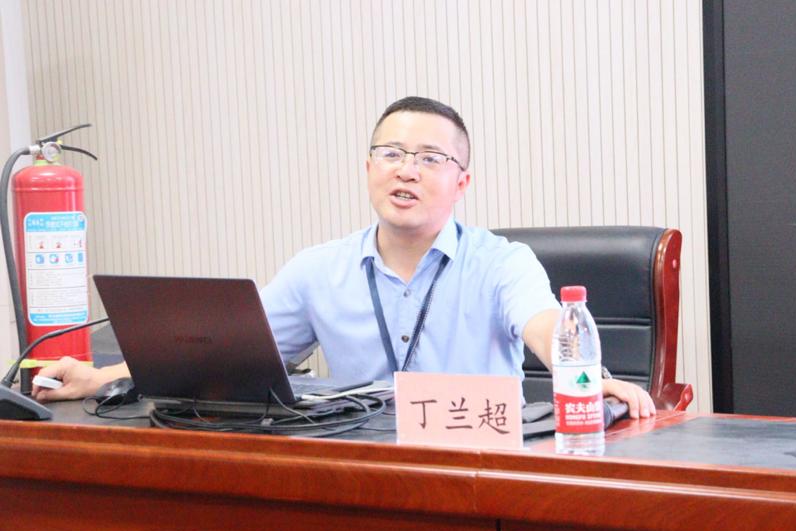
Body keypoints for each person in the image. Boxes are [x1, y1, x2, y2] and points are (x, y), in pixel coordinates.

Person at [33, 96, 655, 418]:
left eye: (431, 159)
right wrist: (102, 379)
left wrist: (588, 377)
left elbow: (545, 325)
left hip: (478, 462)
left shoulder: (502, 263)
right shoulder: (318, 270)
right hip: (362, 468)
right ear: (368, 167)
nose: (407, 170)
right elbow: (220, 351)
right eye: (391, 154)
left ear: (462, 182)